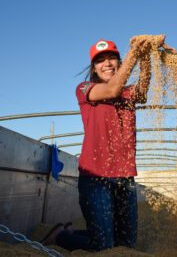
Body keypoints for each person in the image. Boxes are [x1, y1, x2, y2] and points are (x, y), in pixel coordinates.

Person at [41, 37, 153, 251]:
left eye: (112, 58)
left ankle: (74, 233)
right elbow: (111, 90)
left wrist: (146, 55)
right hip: (95, 178)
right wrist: (134, 53)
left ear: (120, 63)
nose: (108, 64)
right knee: (103, 247)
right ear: (94, 68)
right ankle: (62, 237)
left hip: (124, 177)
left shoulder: (128, 93)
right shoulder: (85, 89)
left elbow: (144, 90)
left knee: (126, 244)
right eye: (101, 60)